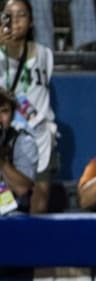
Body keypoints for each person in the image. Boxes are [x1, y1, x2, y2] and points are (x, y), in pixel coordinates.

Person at [0, 0, 57, 213]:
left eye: (21, 14)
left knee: (39, 197)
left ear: (32, 21)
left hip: (40, 134)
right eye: (9, 14)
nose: (15, 20)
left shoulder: (44, 54)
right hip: (6, 133)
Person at [0, 86, 36, 214]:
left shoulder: (23, 141)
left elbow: (23, 189)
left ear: (13, 114)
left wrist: (3, 163)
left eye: (4, 111)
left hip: (11, 213)